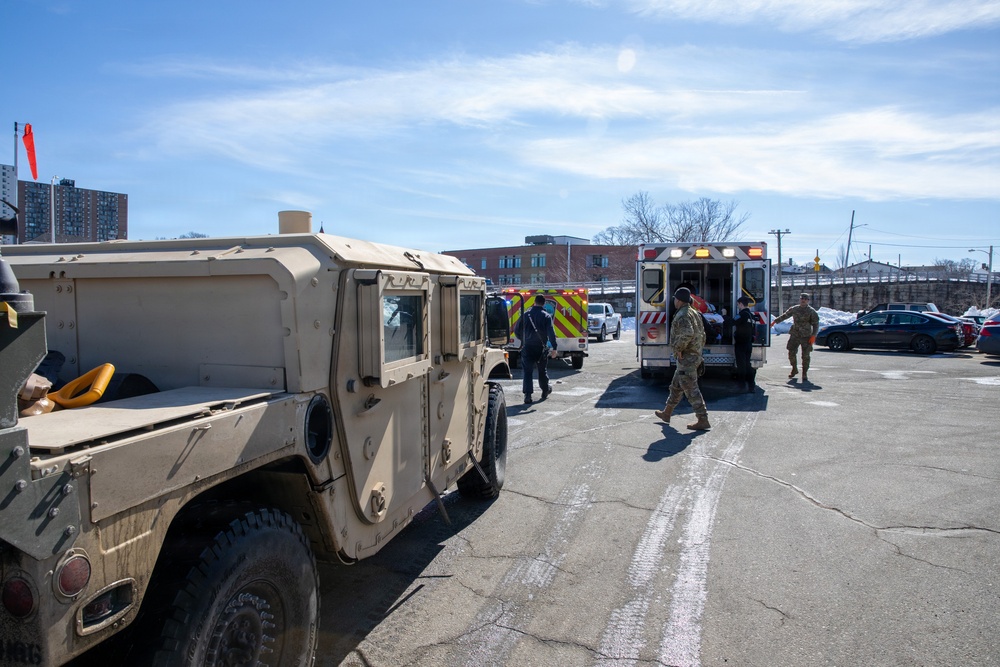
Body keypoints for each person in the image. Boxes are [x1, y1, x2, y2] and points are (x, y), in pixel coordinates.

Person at [654, 287, 711, 430]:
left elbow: (687, 333)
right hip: (692, 356)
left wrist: (679, 348)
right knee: (676, 386)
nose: (674, 300)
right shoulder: (694, 312)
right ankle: (667, 413)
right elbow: (702, 334)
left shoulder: (683, 315)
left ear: (679, 300)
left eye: (675, 298)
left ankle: (702, 419)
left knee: (691, 389)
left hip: (687, 358)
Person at [514, 295, 558, 404]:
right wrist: (554, 348)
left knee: (527, 372)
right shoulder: (546, 316)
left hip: (527, 347)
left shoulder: (525, 315)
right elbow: (551, 333)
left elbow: (516, 330)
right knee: (542, 370)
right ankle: (545, 390)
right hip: (541, 348)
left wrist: (523, 340)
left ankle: (527, 395)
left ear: (534, 302)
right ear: (544, 304)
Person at [771, 292, 820, 382]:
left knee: (805, 356)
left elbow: (816, 325)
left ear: (808, 301)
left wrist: (813, 335)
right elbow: (785, 315)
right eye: (802, 299)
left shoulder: (811, 312)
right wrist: (775, 321)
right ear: (800, 299)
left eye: (805, 299)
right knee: (791, 353)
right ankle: (794, 368)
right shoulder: (795, 309)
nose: (803, 301)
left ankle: (804, 373)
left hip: (806, 336)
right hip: (795, 334)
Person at [733, 295, 757, 392]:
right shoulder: (752, 316)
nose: (738, 306)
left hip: (741, 343)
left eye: (738, 304)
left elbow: (732, 322)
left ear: (741, 304)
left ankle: (741, 386)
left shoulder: (742, 314)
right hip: (748, 344)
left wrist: (724, 315)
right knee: (747, 364)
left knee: (741, 366)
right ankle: (751, 386)